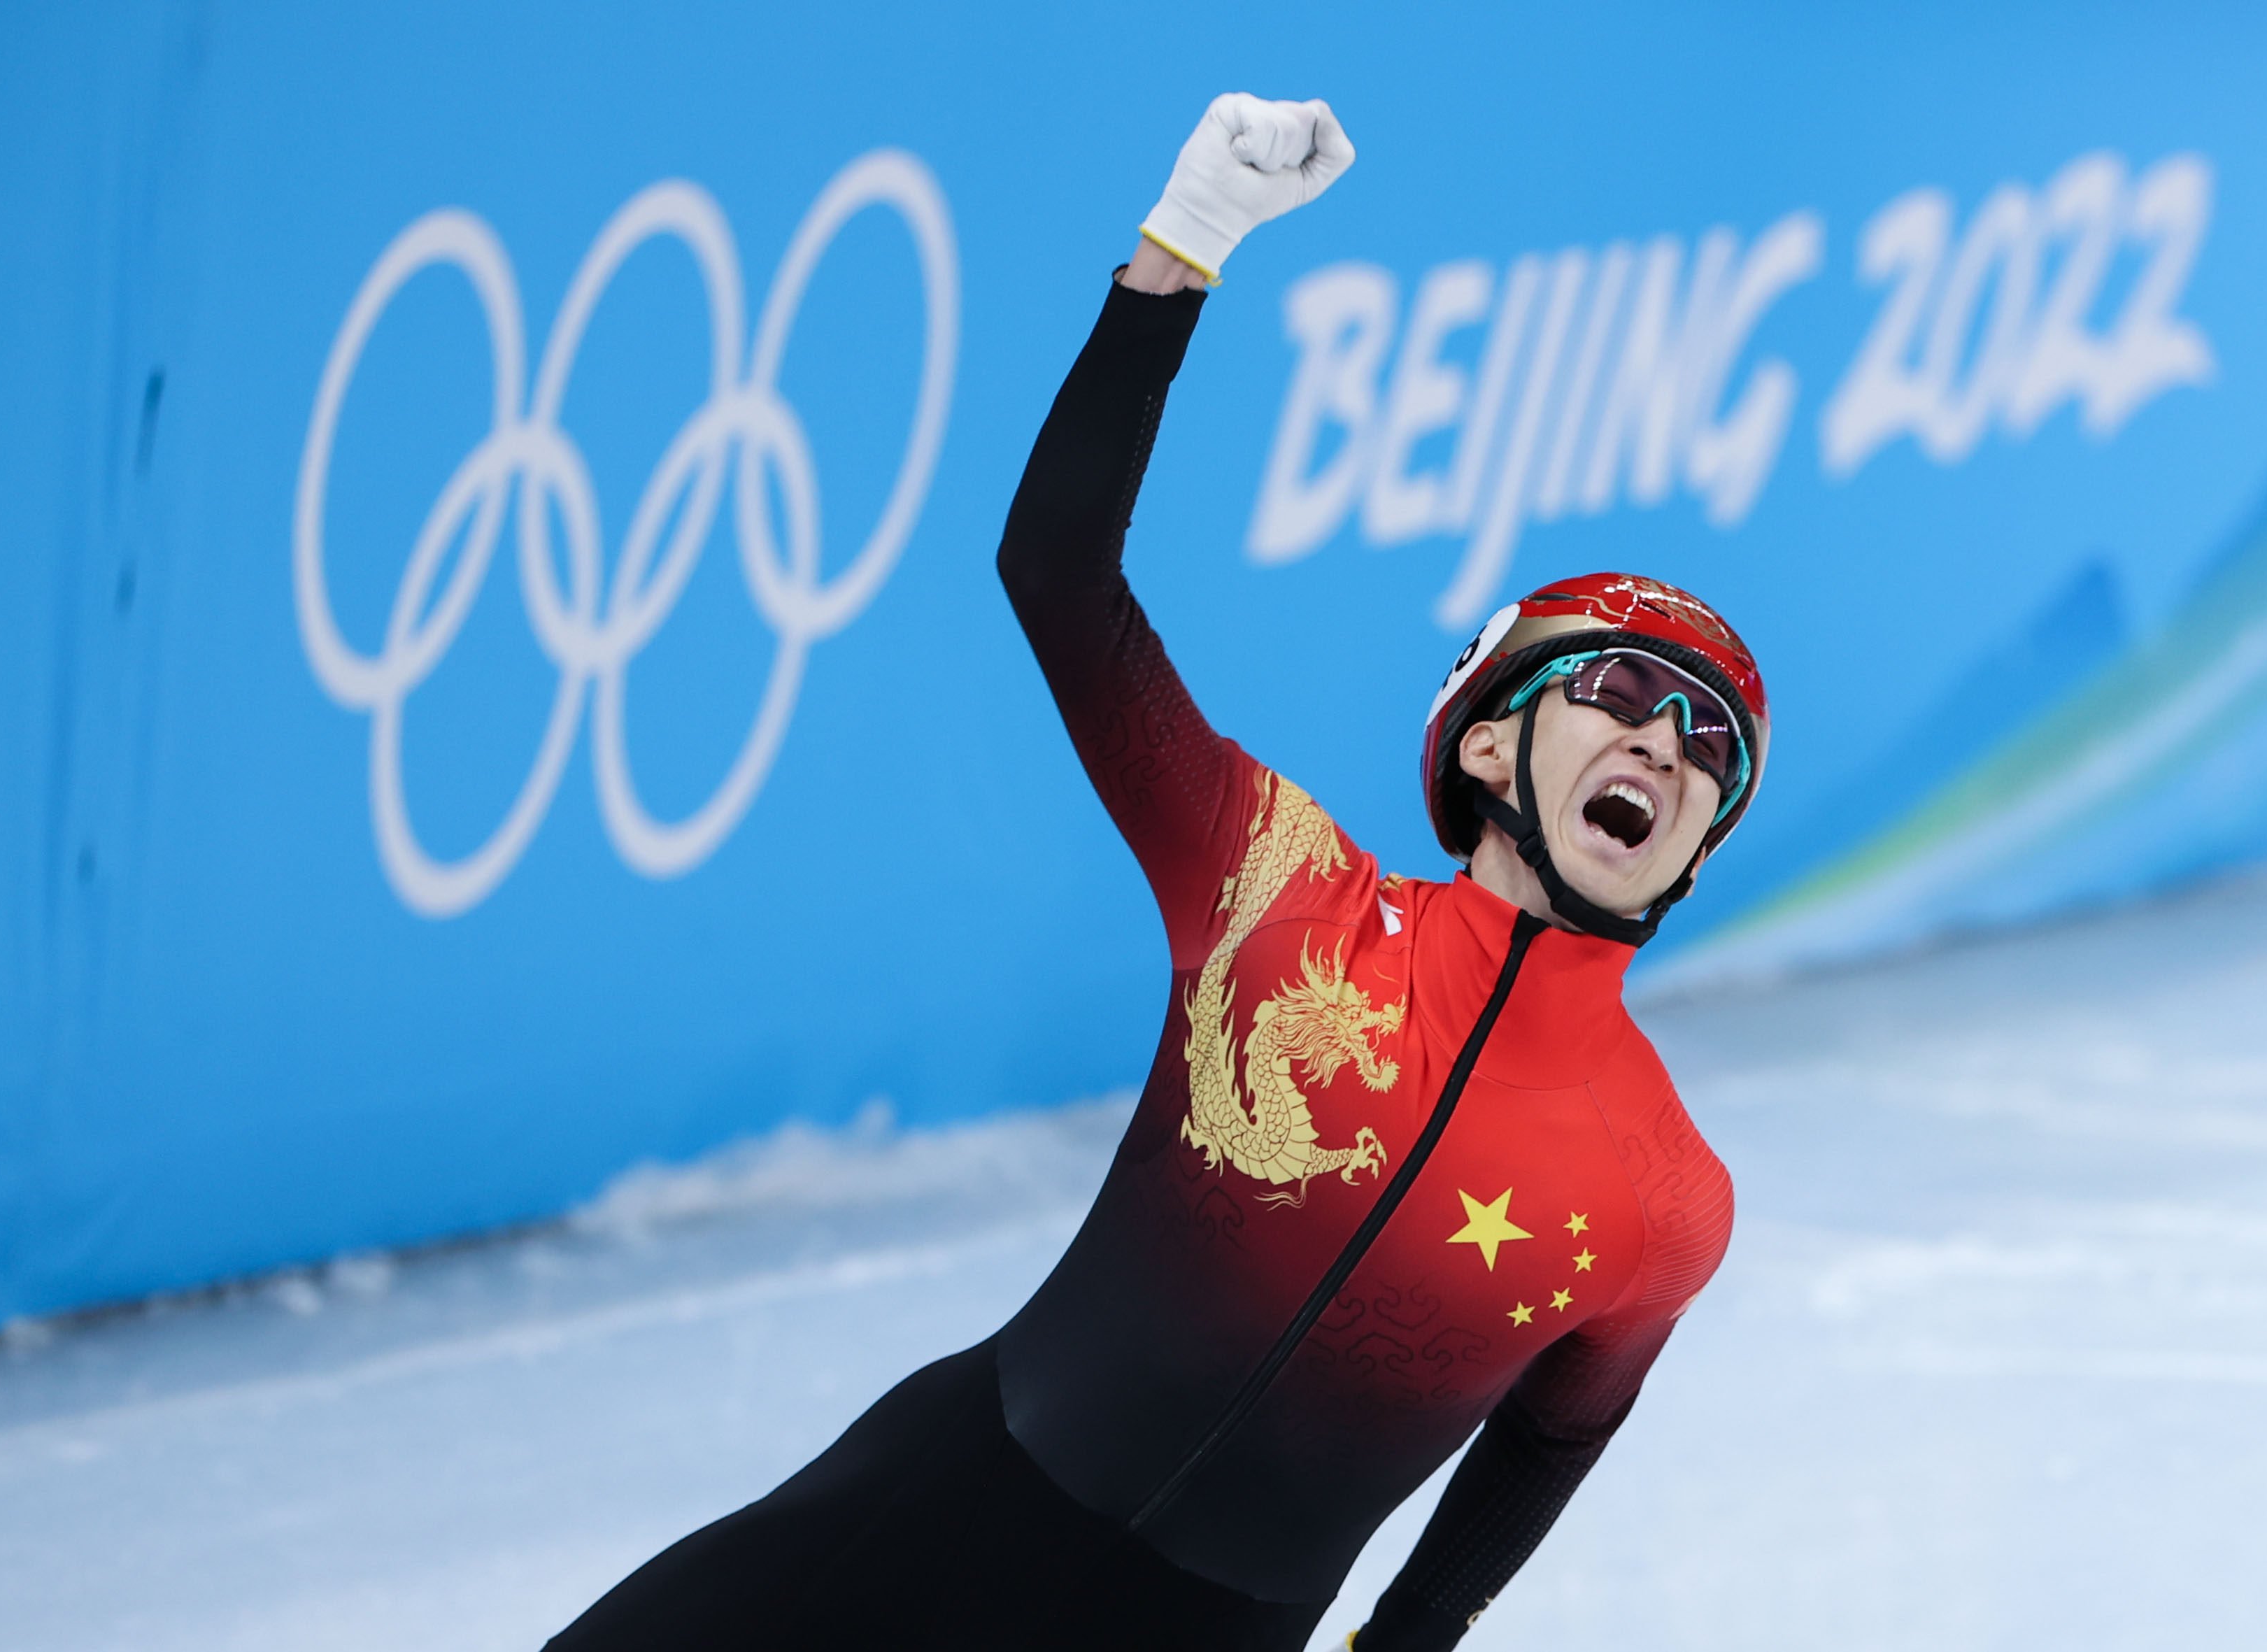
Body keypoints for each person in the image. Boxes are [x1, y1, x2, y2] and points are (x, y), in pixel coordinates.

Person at [549, 92, 1765, 1652]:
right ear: (1481, 746)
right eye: (1612, 695)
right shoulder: (1276, 885)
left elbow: (1547, 1436)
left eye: (1704, 742)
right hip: (937, 1514)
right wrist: (1178, 249)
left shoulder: (1665, 1193)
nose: (1661, 745)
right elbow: (1054, 573)